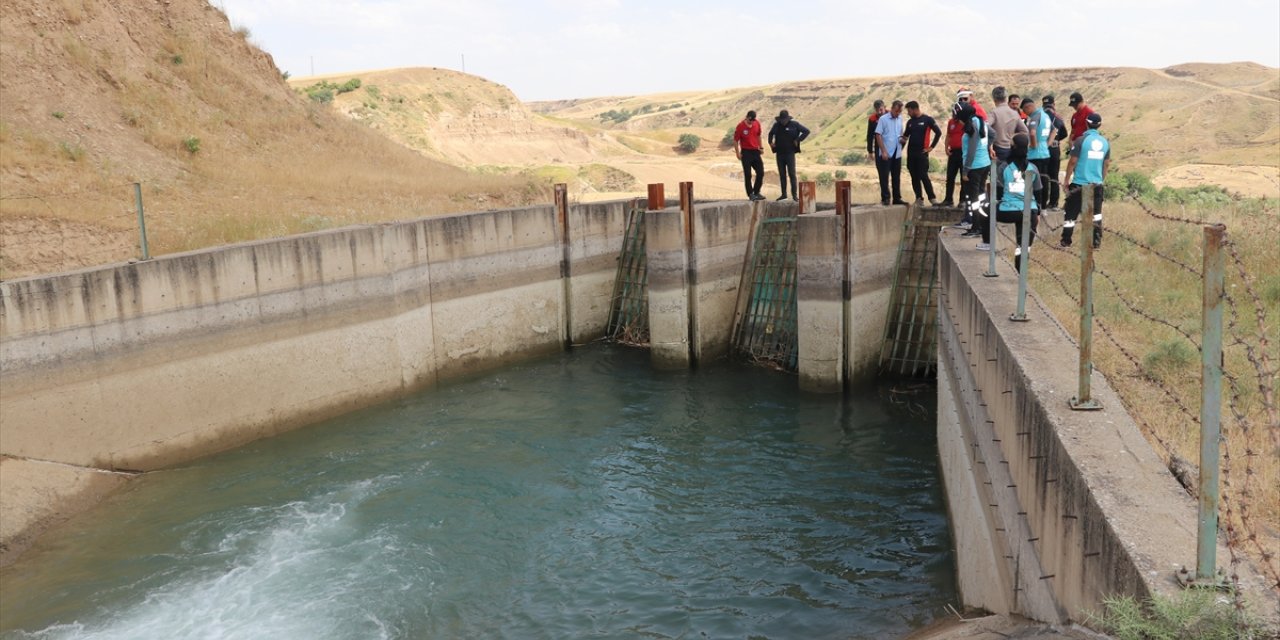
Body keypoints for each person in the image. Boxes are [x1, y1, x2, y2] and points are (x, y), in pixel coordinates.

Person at [982, 133, 1041, 268]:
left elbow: (998, 189)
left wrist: (997, 200)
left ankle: (987, 242)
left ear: (1012, 147)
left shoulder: (1004, 167)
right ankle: (1020, 274)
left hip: (1007, 211)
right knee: (1023, 246)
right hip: (1029, 211)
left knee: (984, 210)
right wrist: (1037, 211)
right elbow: (1038, 192)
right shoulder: (1033, 168)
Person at [1061, 112, 1110, 249]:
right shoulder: (1105, 142)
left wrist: (1066, 180)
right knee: (1096, 215)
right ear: (1099, 125)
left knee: (1071, 214)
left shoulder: (1081, 141)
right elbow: (1106, 164)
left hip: (1079, 184)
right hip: (1097, 184)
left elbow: (1073, 161)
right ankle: (1096, 243)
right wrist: (1101, 179)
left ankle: (1066, 241)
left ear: (1087, 124)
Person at [957, 102, 990, 236]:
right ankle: (982, 224)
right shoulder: (980, 121)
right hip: (984, 163)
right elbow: (992, 134)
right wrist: (987, 148)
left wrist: (965, 171)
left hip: (974, 167)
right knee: (981, 196)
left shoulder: (972, 126)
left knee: (974, 198)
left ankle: (976, 227)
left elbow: (971, 151)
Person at [901, 101, 942, 205]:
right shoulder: (910, 122)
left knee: (923, 175)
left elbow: (938, 133)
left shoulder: (928, 120)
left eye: (909, 111)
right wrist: (899, 148)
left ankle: (932, 198)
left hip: (922, 153)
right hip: (911, 154)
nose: (908, 113)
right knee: (914, 176)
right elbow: (905, 137)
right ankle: (919, 198)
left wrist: (931, 147)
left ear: (915, 109)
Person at [768, 110, 810, 201]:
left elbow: (806, 131)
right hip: (779, 153)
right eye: (781, 120)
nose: (783, 122)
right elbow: (770, 134)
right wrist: (770, 143)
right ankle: (784, 194)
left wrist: (798, 140)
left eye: (784, 120)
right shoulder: (776, 125)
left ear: (788, 119)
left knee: (792, 174)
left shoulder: (794, 125)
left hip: (790, 153)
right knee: (782, 174)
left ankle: (794, 195)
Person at [874, 100, 907, 205]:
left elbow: (900, 132)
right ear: (892, 108)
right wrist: (883, 151)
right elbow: (878, 135)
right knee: (884, 177)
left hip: (897, 151)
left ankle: (897, 198)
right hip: (886, 152)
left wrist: (902, 140)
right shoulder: (883, 119)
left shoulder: (900, 119)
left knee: (896, 177)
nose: (898, 113)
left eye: (900, 112)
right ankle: (885, 198)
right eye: (896, 111)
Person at [1023, 98, 1052, 209]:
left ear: (1028, 107)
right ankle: (1043, 206)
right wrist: (1047, 143)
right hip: (1045, 153)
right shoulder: (1046, 116)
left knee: (1034, 182)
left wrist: (1034, 145)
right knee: (1044, 181)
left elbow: (1032, 132)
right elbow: (1054, 130)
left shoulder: (1035, 117)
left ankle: (1036, 206)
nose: (1026, 114)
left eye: (1025, 111)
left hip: (1035, 155)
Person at [1041, 95, 1069, 209]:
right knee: (1054, 177)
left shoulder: (1040, 116)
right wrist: (1056, 139)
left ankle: (1042, 202)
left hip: (1042, 149)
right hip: (1055, 149)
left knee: (1043, 176)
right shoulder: (1059, 118)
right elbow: (1064, 134)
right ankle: (1054, 203)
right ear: (1054, 105)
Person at [987, 86, 1028, 165]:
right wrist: (1012, 136)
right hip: (1010, 149)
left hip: (997, 149)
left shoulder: (994, 113)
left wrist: (990, 143)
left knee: (995, 175)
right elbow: (1025, 131)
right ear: (1006, 98)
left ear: (994, 99)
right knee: (1009, 174)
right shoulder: (1014, 113)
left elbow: (985, 127)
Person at [734, 110, 766, 201]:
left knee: (760, 172)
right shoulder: (740, 126)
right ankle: (750, 193)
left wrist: (761, 147)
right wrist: (737, 153)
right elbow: (736, 140)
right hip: (746, 152)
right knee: (748, 174)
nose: (751, 122)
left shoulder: (757, 124)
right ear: (747, 117)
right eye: (750, 120)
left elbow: (758, 135)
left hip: (755, 151)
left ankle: (756, 192)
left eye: (752, 121)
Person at [941, 101, 966, 208]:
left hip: (964, 152)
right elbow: (948, 136)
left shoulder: (966, 122)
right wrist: (946, 148)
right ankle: (948, 199)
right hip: (953, 152)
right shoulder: (951, 122)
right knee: (950, 176)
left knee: (963, 178)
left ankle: (963, 200)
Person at [866, 100, 888, 201]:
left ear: (884, 107)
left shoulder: (891, 115)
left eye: (881, 109)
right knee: (881, 173)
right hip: (878, 147)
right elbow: (870, 135)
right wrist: (870, 151)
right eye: (877, 110)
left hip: (890, 146)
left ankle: (897, 197)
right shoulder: (872, 119)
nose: (879, 112)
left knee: (893, 173)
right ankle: (885, 197)